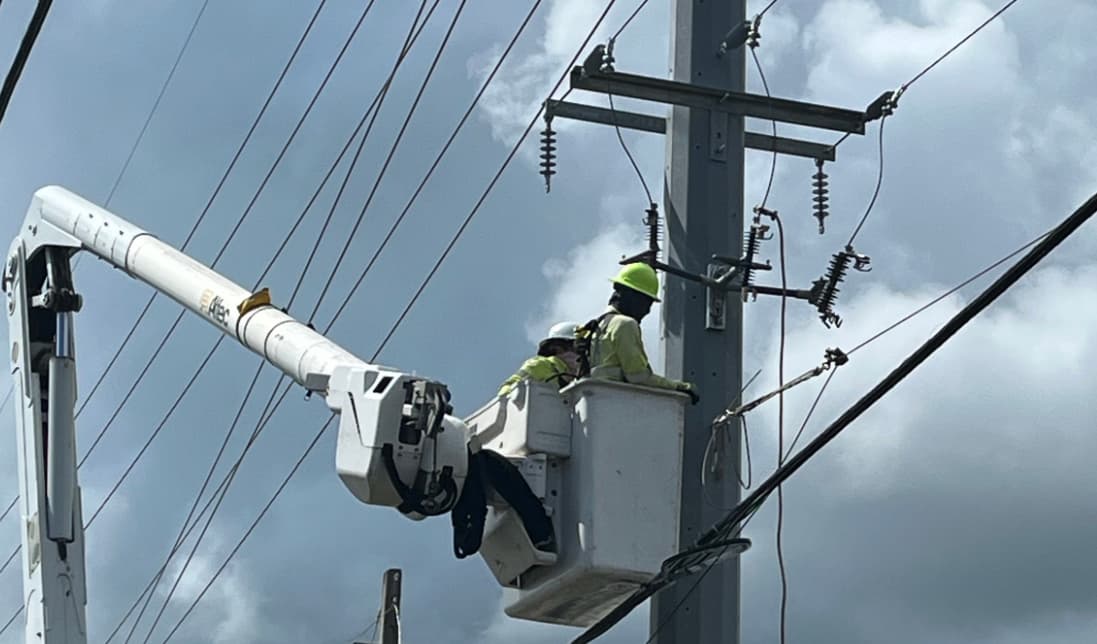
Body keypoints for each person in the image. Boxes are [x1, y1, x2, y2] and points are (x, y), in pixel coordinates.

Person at [581, 263, 699, 403]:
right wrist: (678, 387)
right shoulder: (624, 324)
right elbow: (638, 376)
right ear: (629, 295)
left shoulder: (596, 326)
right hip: (616, 405)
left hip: (596, 404)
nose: (647, 311)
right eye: (646, 302)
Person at [496, 321, 580, 397]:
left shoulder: (581, 375)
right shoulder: (540, 365)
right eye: (577, 349)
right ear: (557, 348)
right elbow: (510, 386)